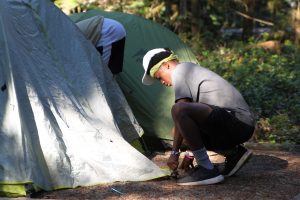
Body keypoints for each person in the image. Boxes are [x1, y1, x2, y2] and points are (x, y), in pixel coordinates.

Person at [141, 48, 255, 186]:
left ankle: (206, 169)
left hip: (238, 121)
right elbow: (188, 123)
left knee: (179, 109)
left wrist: (174, 153)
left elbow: (181, 111)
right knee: (177, 130)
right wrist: (189, 154)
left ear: (167, 65)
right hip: (236, 125)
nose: (162, 83)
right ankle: (234, 153)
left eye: (159, 77)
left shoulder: (181, 71)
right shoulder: (189, 71)